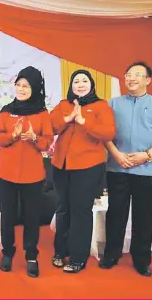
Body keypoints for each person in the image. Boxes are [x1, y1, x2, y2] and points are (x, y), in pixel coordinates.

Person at [99, 62, 152, 277]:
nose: (131, 78)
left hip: (147, 170)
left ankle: (141, 259)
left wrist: (146, 155)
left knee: (144, 217)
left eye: (137, 75)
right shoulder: (112, 104)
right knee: (116, 214)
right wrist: (117, 155)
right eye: (128, 74)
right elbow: (105, 134)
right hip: (118, 167)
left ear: (148, 80)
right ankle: (111, 255)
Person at [50, 69, 116, 273]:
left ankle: (78, 257)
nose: (80, 84)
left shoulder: (101, 105)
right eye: (76, 81)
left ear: (91, 84)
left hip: (87, 167)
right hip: (61, 166)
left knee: (80, 211)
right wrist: (68, 118)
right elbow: (51, 126)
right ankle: (60, 251)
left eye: (84, 81)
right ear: (71, 85)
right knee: (63, 209)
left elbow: (109, 132)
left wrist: (84, 122)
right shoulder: (63, 104)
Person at [0, 66, 53, 278]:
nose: (21, 89)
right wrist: (13, 135)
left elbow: (47, 143)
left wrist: (34, 138)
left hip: (33, 175)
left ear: (35, 88)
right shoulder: (7, 110)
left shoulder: (43, 113)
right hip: (6, 173)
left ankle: (31, 256)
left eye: (26, 85)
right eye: (18, 84)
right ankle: (7, 252)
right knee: (7, 215)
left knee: (31, 216)